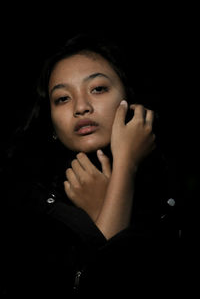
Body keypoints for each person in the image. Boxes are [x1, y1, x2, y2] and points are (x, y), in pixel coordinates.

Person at [1, 32, 180, 297]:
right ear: (50, 120)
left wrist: (112, 191)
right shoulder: (26, 202)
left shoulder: (167, 189)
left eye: (98, 89)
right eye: (62, 98)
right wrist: (126, 168)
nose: (81, 107)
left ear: (129, 98)